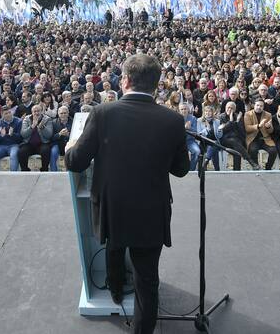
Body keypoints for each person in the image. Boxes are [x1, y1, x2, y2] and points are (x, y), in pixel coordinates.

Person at [65, 54, 190, 334]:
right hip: (151, 212)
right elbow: (181, 170)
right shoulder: (172, 120)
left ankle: (116, 290)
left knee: (114, 247)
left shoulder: (102, 113)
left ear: (124, 81)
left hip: (114, 209)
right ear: (156, 86)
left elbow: (76, 162)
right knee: (148, 280)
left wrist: (70, 147)